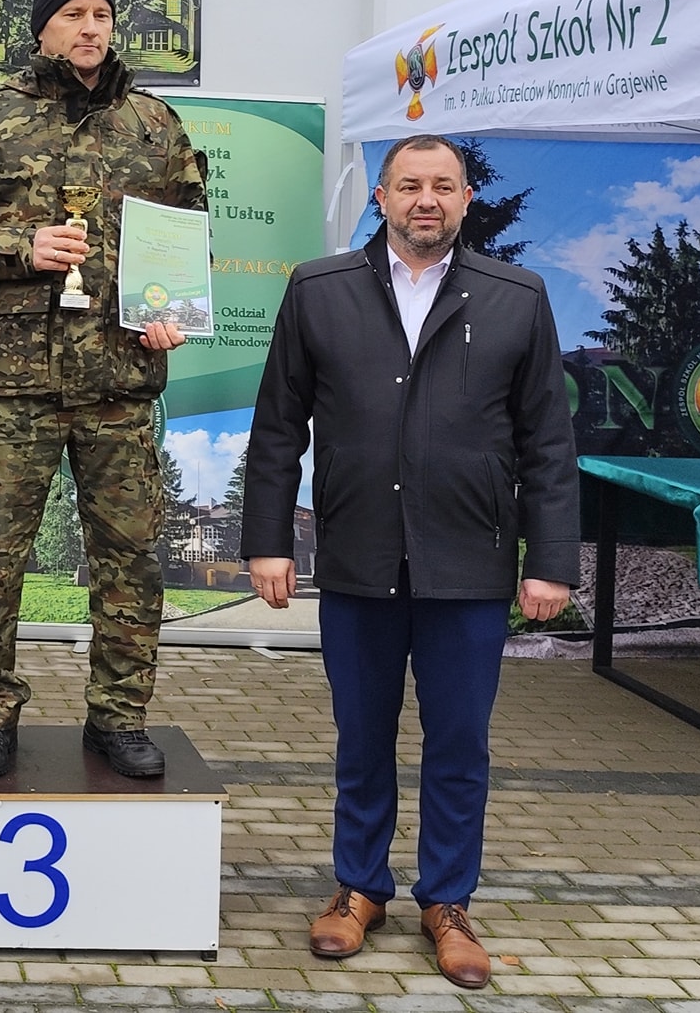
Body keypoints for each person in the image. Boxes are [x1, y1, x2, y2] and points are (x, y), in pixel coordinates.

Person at [241, 134, 578, 990]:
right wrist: (268, 540)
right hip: (359, 554)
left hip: (470, 562)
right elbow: (278, 427)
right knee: (362, 737)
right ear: (382, 198)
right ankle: (359, 888)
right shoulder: (318, 289)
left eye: (443, 186)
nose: (426, 200)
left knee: (459, 743)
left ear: (466, 199)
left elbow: (547, 440)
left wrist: (551, 560)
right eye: (409, 185)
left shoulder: (517, 296)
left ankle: (448, 903)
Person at [0, 0, 206, 780]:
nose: (90, 28)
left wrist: (175, 309)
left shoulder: (153, 123)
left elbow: (187, 227)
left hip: (119, 378)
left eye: (102, 14)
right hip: (17, 381)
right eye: (74, 14)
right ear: (44, 27)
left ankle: (118, 716)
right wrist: (20, 246)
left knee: (129, 559)